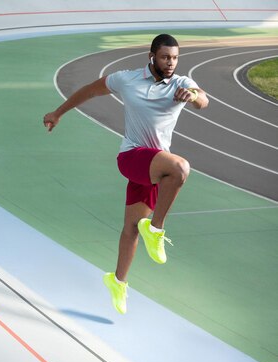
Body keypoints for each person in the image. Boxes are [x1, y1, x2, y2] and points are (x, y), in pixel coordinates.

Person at [43, 34, 209, 314]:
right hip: (132, 157)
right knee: (180, 168)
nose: (171, 63)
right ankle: (156, 229)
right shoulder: (127, 79)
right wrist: (59, 112)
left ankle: (118, 281)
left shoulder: (181, 84)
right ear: (152, 56)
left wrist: (193, 96)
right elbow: (90, 90)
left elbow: (203, 100)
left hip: (155, 166)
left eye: (175, 58)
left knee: (132, 228)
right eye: (165, 57)